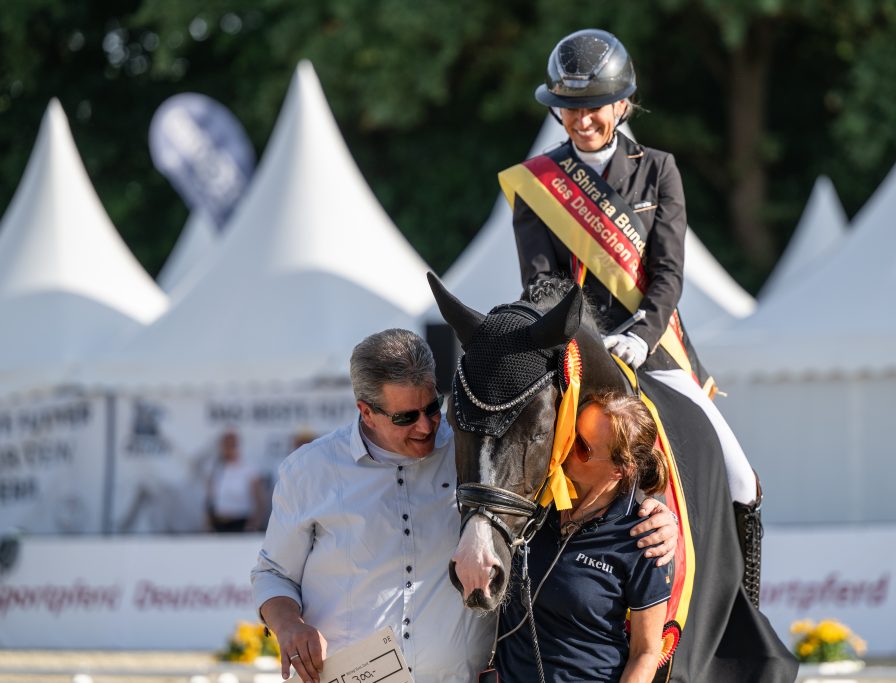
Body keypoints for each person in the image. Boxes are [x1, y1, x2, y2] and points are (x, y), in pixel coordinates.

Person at [251, 328, 679, 683]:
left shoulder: (474, 454)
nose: (426, 426)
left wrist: (657, 512)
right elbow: (273, 574)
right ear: (366, 412)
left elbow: (585, 476)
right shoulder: (309, 471)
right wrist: (289, 625)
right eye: (405, 417)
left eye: (432, 408)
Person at [504, 28, 763, 601]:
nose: (581, 120)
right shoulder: (537, 184)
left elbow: (668, 274)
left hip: (655, 346)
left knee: (740, 477)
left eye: (594, 106)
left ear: (623, 104)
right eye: (569, 108)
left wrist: (641, 337)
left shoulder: (659, 170)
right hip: (577, 351)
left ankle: (741, 609)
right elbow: (542, 286)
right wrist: (591, 344)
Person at [496, 392, 672, 683]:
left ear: (620, 469)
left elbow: (646, 652)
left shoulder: (644, 538)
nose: (566, 447)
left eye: (581, 447)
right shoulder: (535, 497)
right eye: (569, 432)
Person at [206, 430, 266, 532]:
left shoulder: (249, 468)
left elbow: (259, 498)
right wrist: (208, 522)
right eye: (225, 445)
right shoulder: (215, 468)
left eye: (231, 445)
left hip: (241, 522)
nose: (228, 449)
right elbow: (210, 497)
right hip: (219, 522)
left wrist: (255, 522)